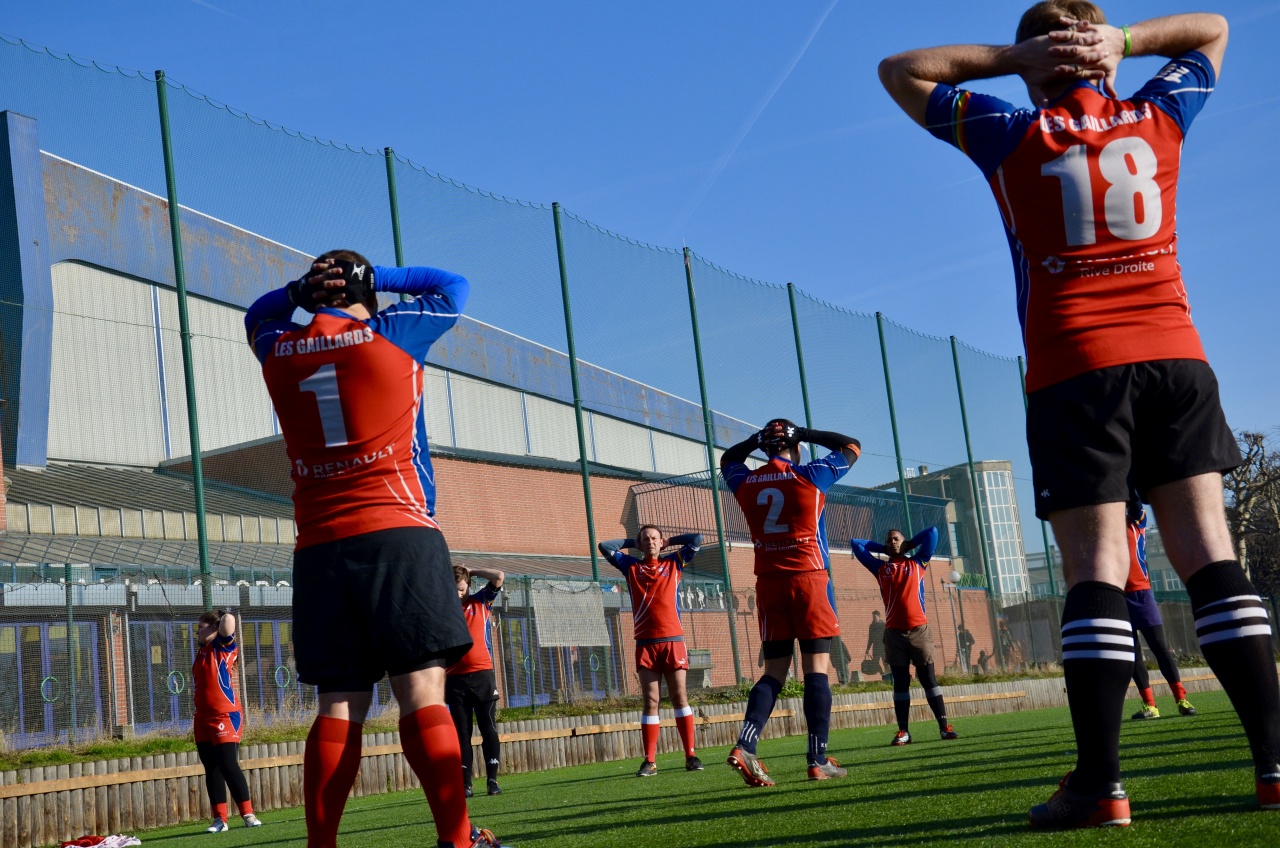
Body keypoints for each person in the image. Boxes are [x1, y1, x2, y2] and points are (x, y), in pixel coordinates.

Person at [879, 3, 1280, 827]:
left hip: (1076, 369)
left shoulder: (1011, 131)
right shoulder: (1160, 112)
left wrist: (1015, 57)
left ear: (1038, 68)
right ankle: (1275, 767)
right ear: (1105, 61)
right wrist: (1123, 42)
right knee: (1209, 552)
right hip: (1177, 358)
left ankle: (1100, 786)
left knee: (1096, 566)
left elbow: (900, 69)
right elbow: (1214, 29)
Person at [245, 252, 507, 848]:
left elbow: (257, 315)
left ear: (315, 295)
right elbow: (454, 284)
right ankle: (456, 840)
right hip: (399, 532)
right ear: (369, 297)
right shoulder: (391, 332)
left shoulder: (278, 346)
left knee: (338, 704)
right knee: (422, 692)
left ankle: (322, 846)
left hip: (320, 546)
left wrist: (301, 290)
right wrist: (376, 280)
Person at [720, 418, 861, 785]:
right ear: (796, 447)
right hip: (809, 581)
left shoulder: (747, 482)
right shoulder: (810, 475)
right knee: (817, 672)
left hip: (769, 585)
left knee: (773, 674)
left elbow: (728, 460)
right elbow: (851, 446)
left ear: (765, 448)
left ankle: (745, 746)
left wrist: (756, 440)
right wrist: (806, 433)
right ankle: (817, 759)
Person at [599, 526, 705, 776]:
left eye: (654, 538)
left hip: (673, 641)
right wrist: (632, 542)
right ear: (640, 543)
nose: (650, 542)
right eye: (645, 539)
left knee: (679, 697)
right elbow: (605, 546)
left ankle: (690, 756)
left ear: (661, 541)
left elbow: (696, 539)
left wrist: (669, 541)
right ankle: (650, 761)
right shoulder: (630, 567)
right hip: (646, 644)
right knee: (650, 701)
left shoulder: (674, 562)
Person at [852, 528, 958, 745]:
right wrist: (882, 548)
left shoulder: (918, 562)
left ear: (904, 542)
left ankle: (944, 727)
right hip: (894, 634)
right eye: (888, 540)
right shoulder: (880, 568)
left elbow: (932, 533)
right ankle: (904, 732)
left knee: (928, 679)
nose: (892, 542)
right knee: (900, 683)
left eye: (896, 539)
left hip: (920, 632)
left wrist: (909, 544)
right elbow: (856, 543)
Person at [1123, 501, 1196, 721]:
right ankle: (1150, 706)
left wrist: (1124, 487)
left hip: (1142, 594)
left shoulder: (1135, 519)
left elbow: (1135, 503)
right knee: (1132, 654)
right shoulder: (1105, 528)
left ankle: (1181, 700)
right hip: (1118, 596)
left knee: (1160, 648)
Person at [192, 608, 261, 833]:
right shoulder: (202, 651)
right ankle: (220, 820)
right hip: (202, 717)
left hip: (225, 715)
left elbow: (229, 620)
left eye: (201, 628)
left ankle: (248, 814)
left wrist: (222, 618)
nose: (197, 632)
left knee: (228, 764)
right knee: (211, 768)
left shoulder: (222, 646)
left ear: (214, 627)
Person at [447, 565, 505, 798]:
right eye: (454, 589)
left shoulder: (481, 601)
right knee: (462, 734)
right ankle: (466, 785)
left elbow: (499, 577)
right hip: (454, 680)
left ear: (468, 585)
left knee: (488, 728)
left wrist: (472, 571)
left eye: (462, 589)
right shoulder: (443, 608)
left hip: (482, 676)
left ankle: (492, 781)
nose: (458, 594)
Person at [864, 610, 887, 677]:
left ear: (878, 616)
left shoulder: (883, 625)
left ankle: (888, 676)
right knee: (875, 663)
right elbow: (870, 639)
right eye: (873, 617)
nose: (874, 618)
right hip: (876, 648)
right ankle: (883, 675)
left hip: (883, 648)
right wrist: (867, 649)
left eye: (875, 616)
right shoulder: (871, 626)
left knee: (885, 663)